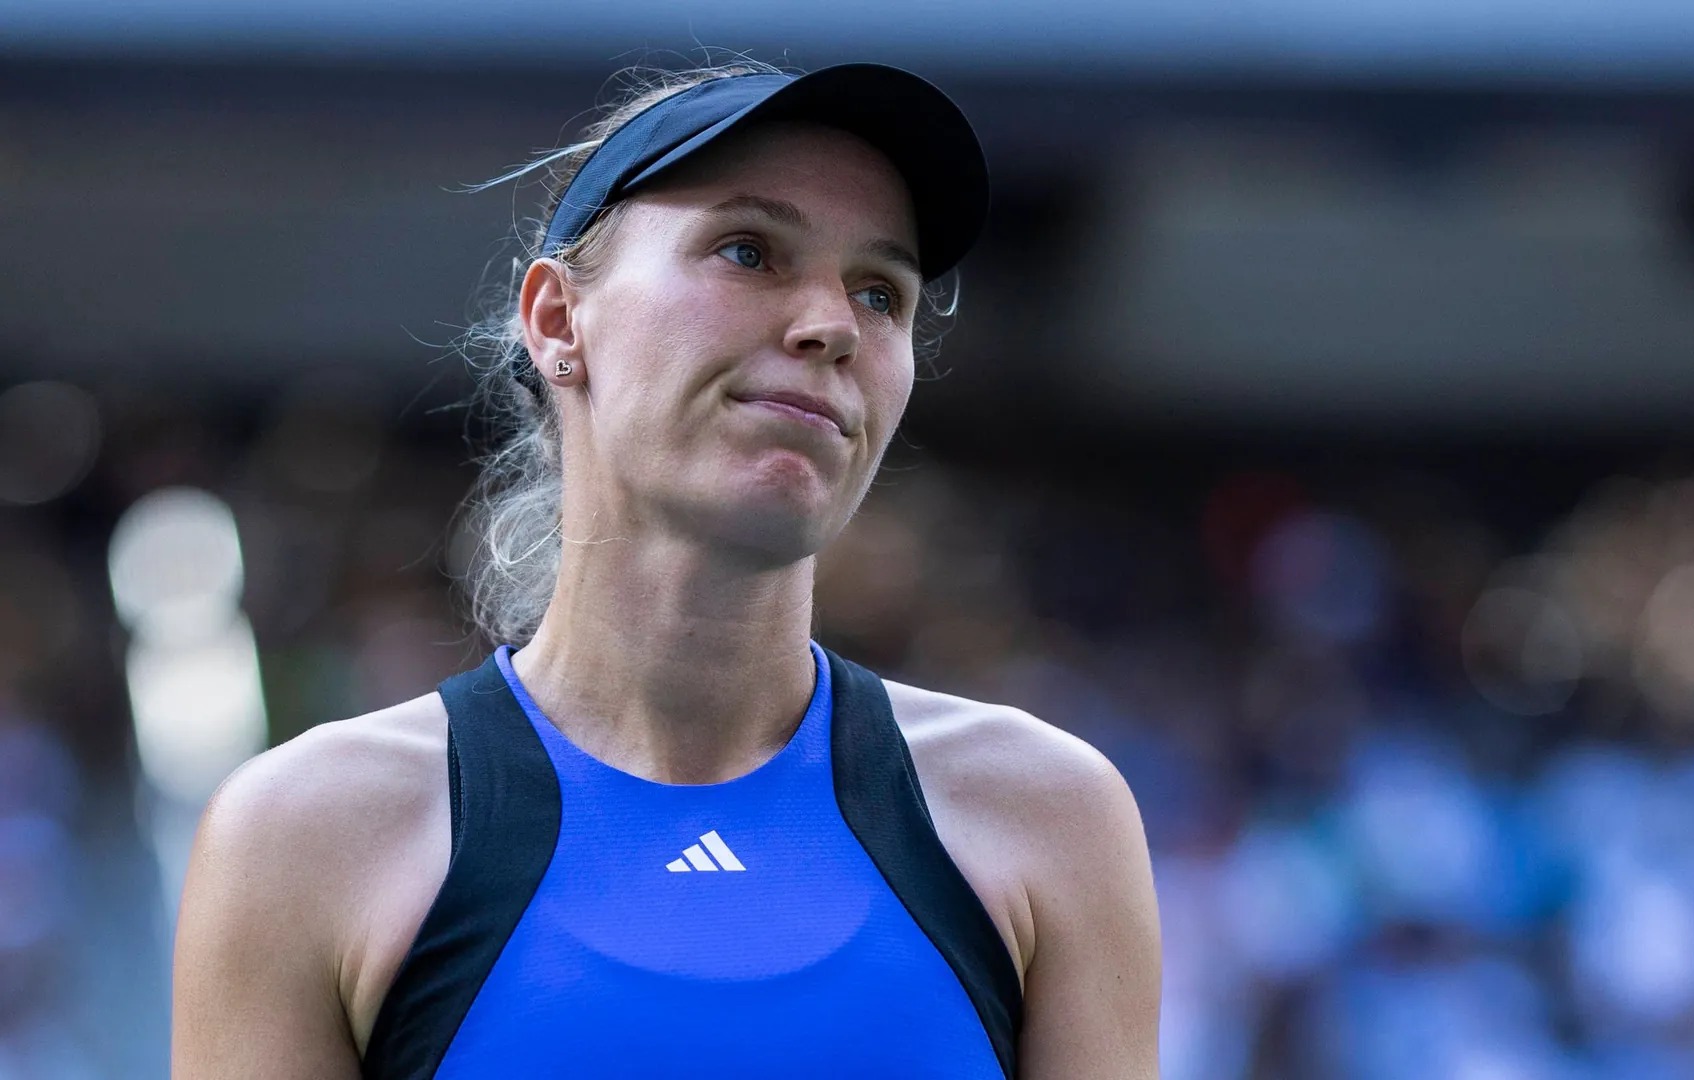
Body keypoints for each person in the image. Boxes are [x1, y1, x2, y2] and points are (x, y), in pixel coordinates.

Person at [171, 60, 1161, 1078]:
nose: (832, 325)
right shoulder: (306, 837)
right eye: (748, 251)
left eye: (881, 292)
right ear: (558, 320)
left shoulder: (1047, 816)